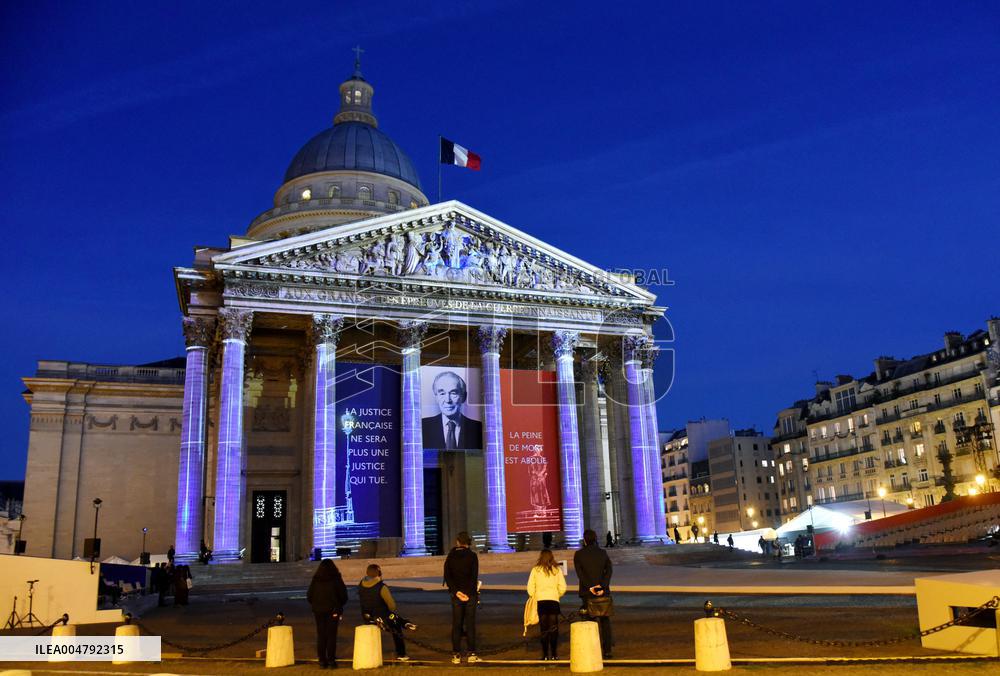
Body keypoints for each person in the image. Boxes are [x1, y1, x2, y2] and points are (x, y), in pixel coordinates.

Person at [573, 529, 613, 659]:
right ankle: (607, 650)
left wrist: (591, 587)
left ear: (585, 540)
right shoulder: (602, 553)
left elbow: (580, 575)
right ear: (595, 539)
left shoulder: (579, 554)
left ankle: (591, 649)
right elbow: (609, 570)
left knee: (589, 621)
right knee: (605, 621)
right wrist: (602, 586)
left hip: (587, 593)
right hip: (602, 592)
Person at [358, 564, 411, 661]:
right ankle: (401, 654)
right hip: (382, 618)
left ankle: (405, 622)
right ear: (379, 573)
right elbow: (392, 606)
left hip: (367, 617)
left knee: (393, 617)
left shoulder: (361, 584)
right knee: (395, 624)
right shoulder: (381, 587)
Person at [421, 372, 483, 450]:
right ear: (436, 397)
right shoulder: (422, 427)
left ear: (464, 396)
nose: (447, 400)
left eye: (454, 393)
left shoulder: (478, 428)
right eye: (442, 393)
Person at [444, 531, 480, 664]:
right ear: (468, 542)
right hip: (470, 594)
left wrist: (456, 592)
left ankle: (456, 654)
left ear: (458, 542)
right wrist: (468, 593)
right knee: (470, 624)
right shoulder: (472, 556)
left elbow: (447, 576)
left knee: (457, 624)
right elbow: (473, 577)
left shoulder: (451, 556)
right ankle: (471, 653)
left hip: (456, 594)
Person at [526, 549, 567, 660]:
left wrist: (535, 595)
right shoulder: (557, 570)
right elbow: (563, 587)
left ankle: (544, 654)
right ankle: (554, 654)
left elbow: (530, 587)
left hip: (541, 601)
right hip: (553, 600)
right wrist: (557, 595)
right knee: (553, 628)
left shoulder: (535, 570)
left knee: (544, 628)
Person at [308, 559, 349, 669]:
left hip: (319, 611)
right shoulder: (335, 579)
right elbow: (343, 595)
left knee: (321, 635)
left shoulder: (316, 579)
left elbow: (309, 595)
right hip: (333, 611)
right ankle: (331, 660)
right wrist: (339, 605)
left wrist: (316, 604)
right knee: (331, 636)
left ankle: (322, 660)